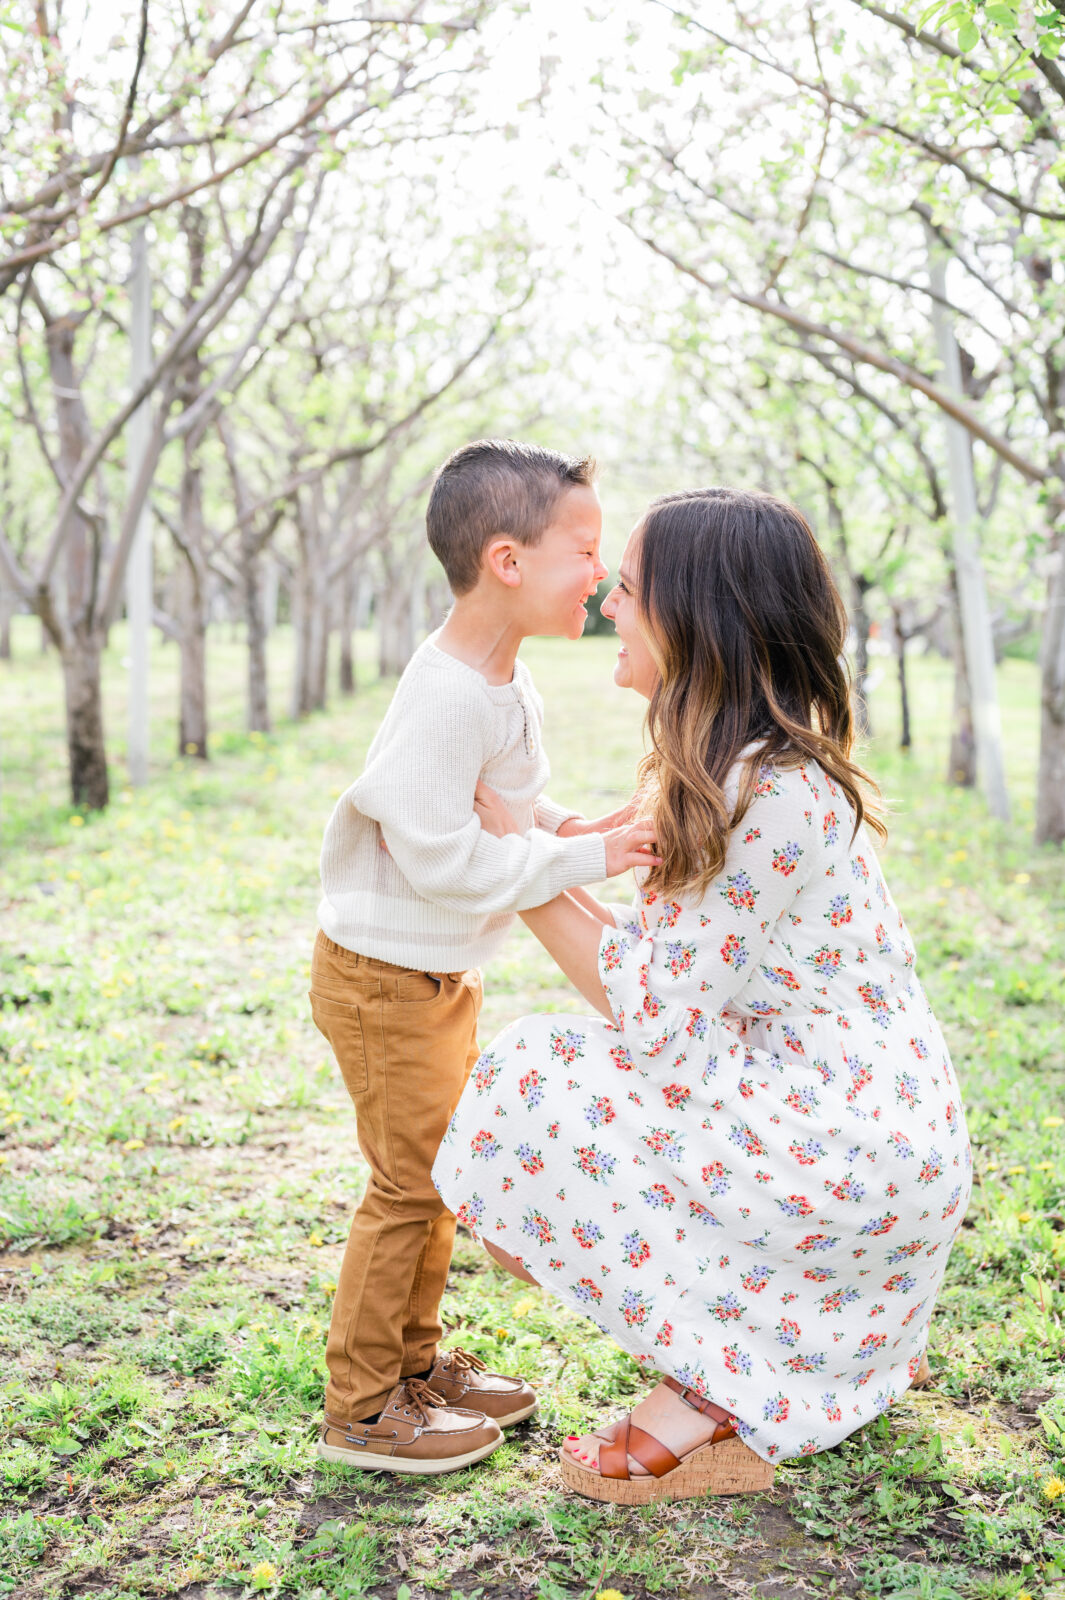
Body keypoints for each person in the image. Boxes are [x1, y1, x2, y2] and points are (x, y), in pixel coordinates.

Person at [433, 486, 972, 1503]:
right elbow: (661, 967)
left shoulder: (764, 792)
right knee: (564, 1076)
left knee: (535, 1075)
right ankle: (810, 1338)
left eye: (629, 587)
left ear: (697, 619)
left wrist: (514, 861)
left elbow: (656, 1021)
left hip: (851, 1141)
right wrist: (539, 851)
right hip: (852, 1123)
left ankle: (729, 1385)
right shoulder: (747, 768)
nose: (606, 604)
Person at [310, 439, 658, 1476]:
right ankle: (364, 1406)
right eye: (583, 550)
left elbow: (512, 804)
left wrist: (575, 824)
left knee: (438, 1175)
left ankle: (415, 1372)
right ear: (507, 561)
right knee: (408, 1188)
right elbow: (450, 859)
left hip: (430, 974)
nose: (600, 574)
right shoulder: (446, 693)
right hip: (382, 978)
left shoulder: (504, 680)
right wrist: (582, 853)